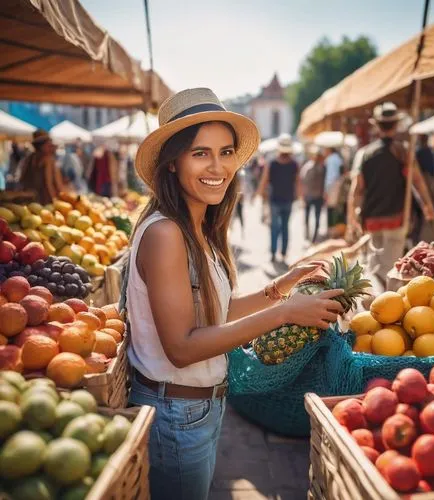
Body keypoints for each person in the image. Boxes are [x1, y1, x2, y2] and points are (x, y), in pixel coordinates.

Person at [123, 88, 344, 500]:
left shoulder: (195, 228)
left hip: (196, 408)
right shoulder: (166, 233)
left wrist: (281, 287)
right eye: (200, 153)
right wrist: (285, 314)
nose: (218, 166)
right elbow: (183, 348)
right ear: (172, 163)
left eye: (226, 152)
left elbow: (213, 313)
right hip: (176, 412)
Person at [348, 102, 434, 281]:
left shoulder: (364, 154)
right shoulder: (404, 151)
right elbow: (418, 182)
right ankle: (383, 299)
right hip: (397, 217)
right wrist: (428, 206)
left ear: (376, 125)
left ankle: (375, 296)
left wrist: (351, 217)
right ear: (396, 125)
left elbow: (357, 190)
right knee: (390, 266)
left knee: (375, 261)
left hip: (371, 218)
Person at [256, 134, 300, 263]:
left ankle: (273, 252)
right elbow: (298, 182)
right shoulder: (294, 164)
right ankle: (284, 252)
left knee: (274, 227)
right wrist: (300, 197)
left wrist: (259, 194)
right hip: (288, 199)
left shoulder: (272, 163)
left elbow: (264, 180)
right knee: (285, 226)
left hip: (274, 199)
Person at [19, 129, 65, 204]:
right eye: (49, 145)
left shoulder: (29, 158)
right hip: (45, 200)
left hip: (31, 200)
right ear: (42, 146)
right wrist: (55, 200)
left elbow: (22, 179)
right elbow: (49, 183)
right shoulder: (48, 159)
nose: (51, 147)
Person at [300, 145, 325, 243]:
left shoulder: (321, 167)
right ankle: (309, 236)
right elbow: (302, 181)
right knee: (310, 217)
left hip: (316, 196)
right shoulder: (309, 167)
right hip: (311, 195)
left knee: (315, 218)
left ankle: (313, 236)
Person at [324, 145, 344, 237]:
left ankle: (332, 230)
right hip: (337, 185)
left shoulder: (331, 159)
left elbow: (330, 177)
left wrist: (326, 190)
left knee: (332, 209)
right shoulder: (338, 159)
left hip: (332, 185)